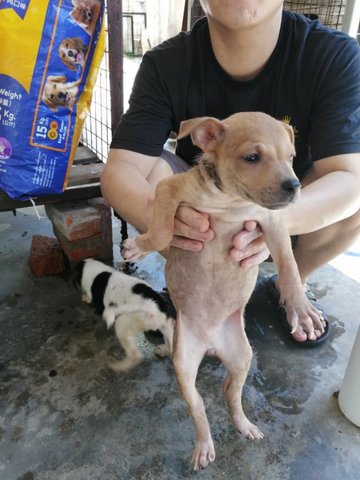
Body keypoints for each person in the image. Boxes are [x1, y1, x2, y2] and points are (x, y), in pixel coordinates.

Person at [101, 0, 360, 346]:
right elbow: (120, 171)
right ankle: (194, 287)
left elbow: (349, 178)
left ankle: (290, 282)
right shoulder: (166, 63)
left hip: (286, 207)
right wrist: (160, 218)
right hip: (205, 213)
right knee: (156, 183)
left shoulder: (333, 54)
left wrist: (271, 225)